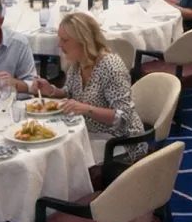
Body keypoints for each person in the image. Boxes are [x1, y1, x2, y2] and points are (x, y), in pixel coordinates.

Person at [31, 13, 147, 164]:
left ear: (83, 41)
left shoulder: (110, 66)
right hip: (90, 135)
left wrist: (86, 109)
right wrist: (51, 90)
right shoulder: (78, 62)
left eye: (65, 40)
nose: (59, 45)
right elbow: (70, 93)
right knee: (53, 153)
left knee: (63, 162)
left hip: (120, 142)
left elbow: (123, 117)